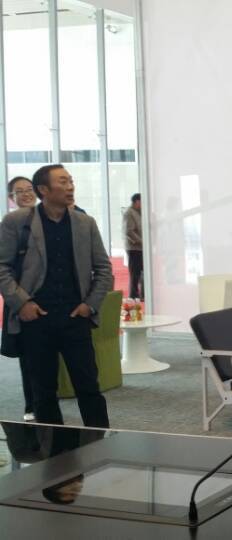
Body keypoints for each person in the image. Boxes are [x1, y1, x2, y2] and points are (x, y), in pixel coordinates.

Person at [0, 164, 113, 428]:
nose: (70, 186)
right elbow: (2, 266)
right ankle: (54, 447)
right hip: (36, 319)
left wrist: (89, 305)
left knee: (89, 387)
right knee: (43, 391)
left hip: (76, 317)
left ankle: (101, 442)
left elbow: (103, 269)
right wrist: (22, 303)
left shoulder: (85, 222)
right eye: (63, 182)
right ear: (43, 189)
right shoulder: (17, 222)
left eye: (71, 181)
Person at [5, 176, 37, 421]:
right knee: (28, 354)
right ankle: (31, 405)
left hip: (48, 297)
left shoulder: (49, 217)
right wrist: (19, 299)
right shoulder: (10, 223)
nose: (26, 194)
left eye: (29, 189)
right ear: (11, 198)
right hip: (20, 297)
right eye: (20, 191)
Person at [122, 193, 143, 299]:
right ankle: (133, 295)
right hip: (134, 248)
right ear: (137, 201)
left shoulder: (140, 212)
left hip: (141, 248)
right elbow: (129, 231)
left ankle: (142, 294)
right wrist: (142, 241)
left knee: (142, 272)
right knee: (135, 273)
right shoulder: (129, 213)